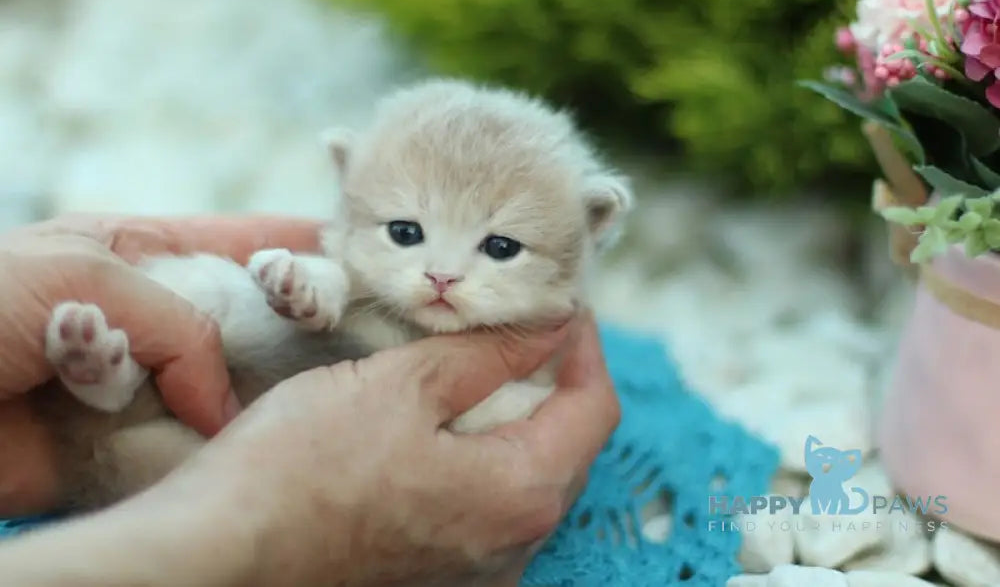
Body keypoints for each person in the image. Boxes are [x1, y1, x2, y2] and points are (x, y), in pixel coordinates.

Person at [0, 213, 620, 586]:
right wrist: (260, 538)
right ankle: (113, 382)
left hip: (179, 425)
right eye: (407, 231)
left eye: (501, 246)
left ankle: (111, 385)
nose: (443, 274)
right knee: (213, 297)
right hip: (196, 395)